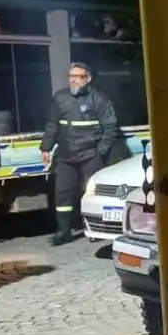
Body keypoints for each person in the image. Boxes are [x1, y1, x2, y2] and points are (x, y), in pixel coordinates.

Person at [40, 62, 118, 245]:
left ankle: (96, 230)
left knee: (92, 194)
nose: (74, 81)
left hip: (90, 155)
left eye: (78, 77)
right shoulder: (60, 98)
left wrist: (100, 152)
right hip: (66, 155)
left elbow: (110, 127)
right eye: (71, 77)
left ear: (88, 79)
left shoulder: (99, 99)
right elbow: (52, 125)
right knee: (62, 195)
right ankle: (63, 231)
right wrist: (46, 147)